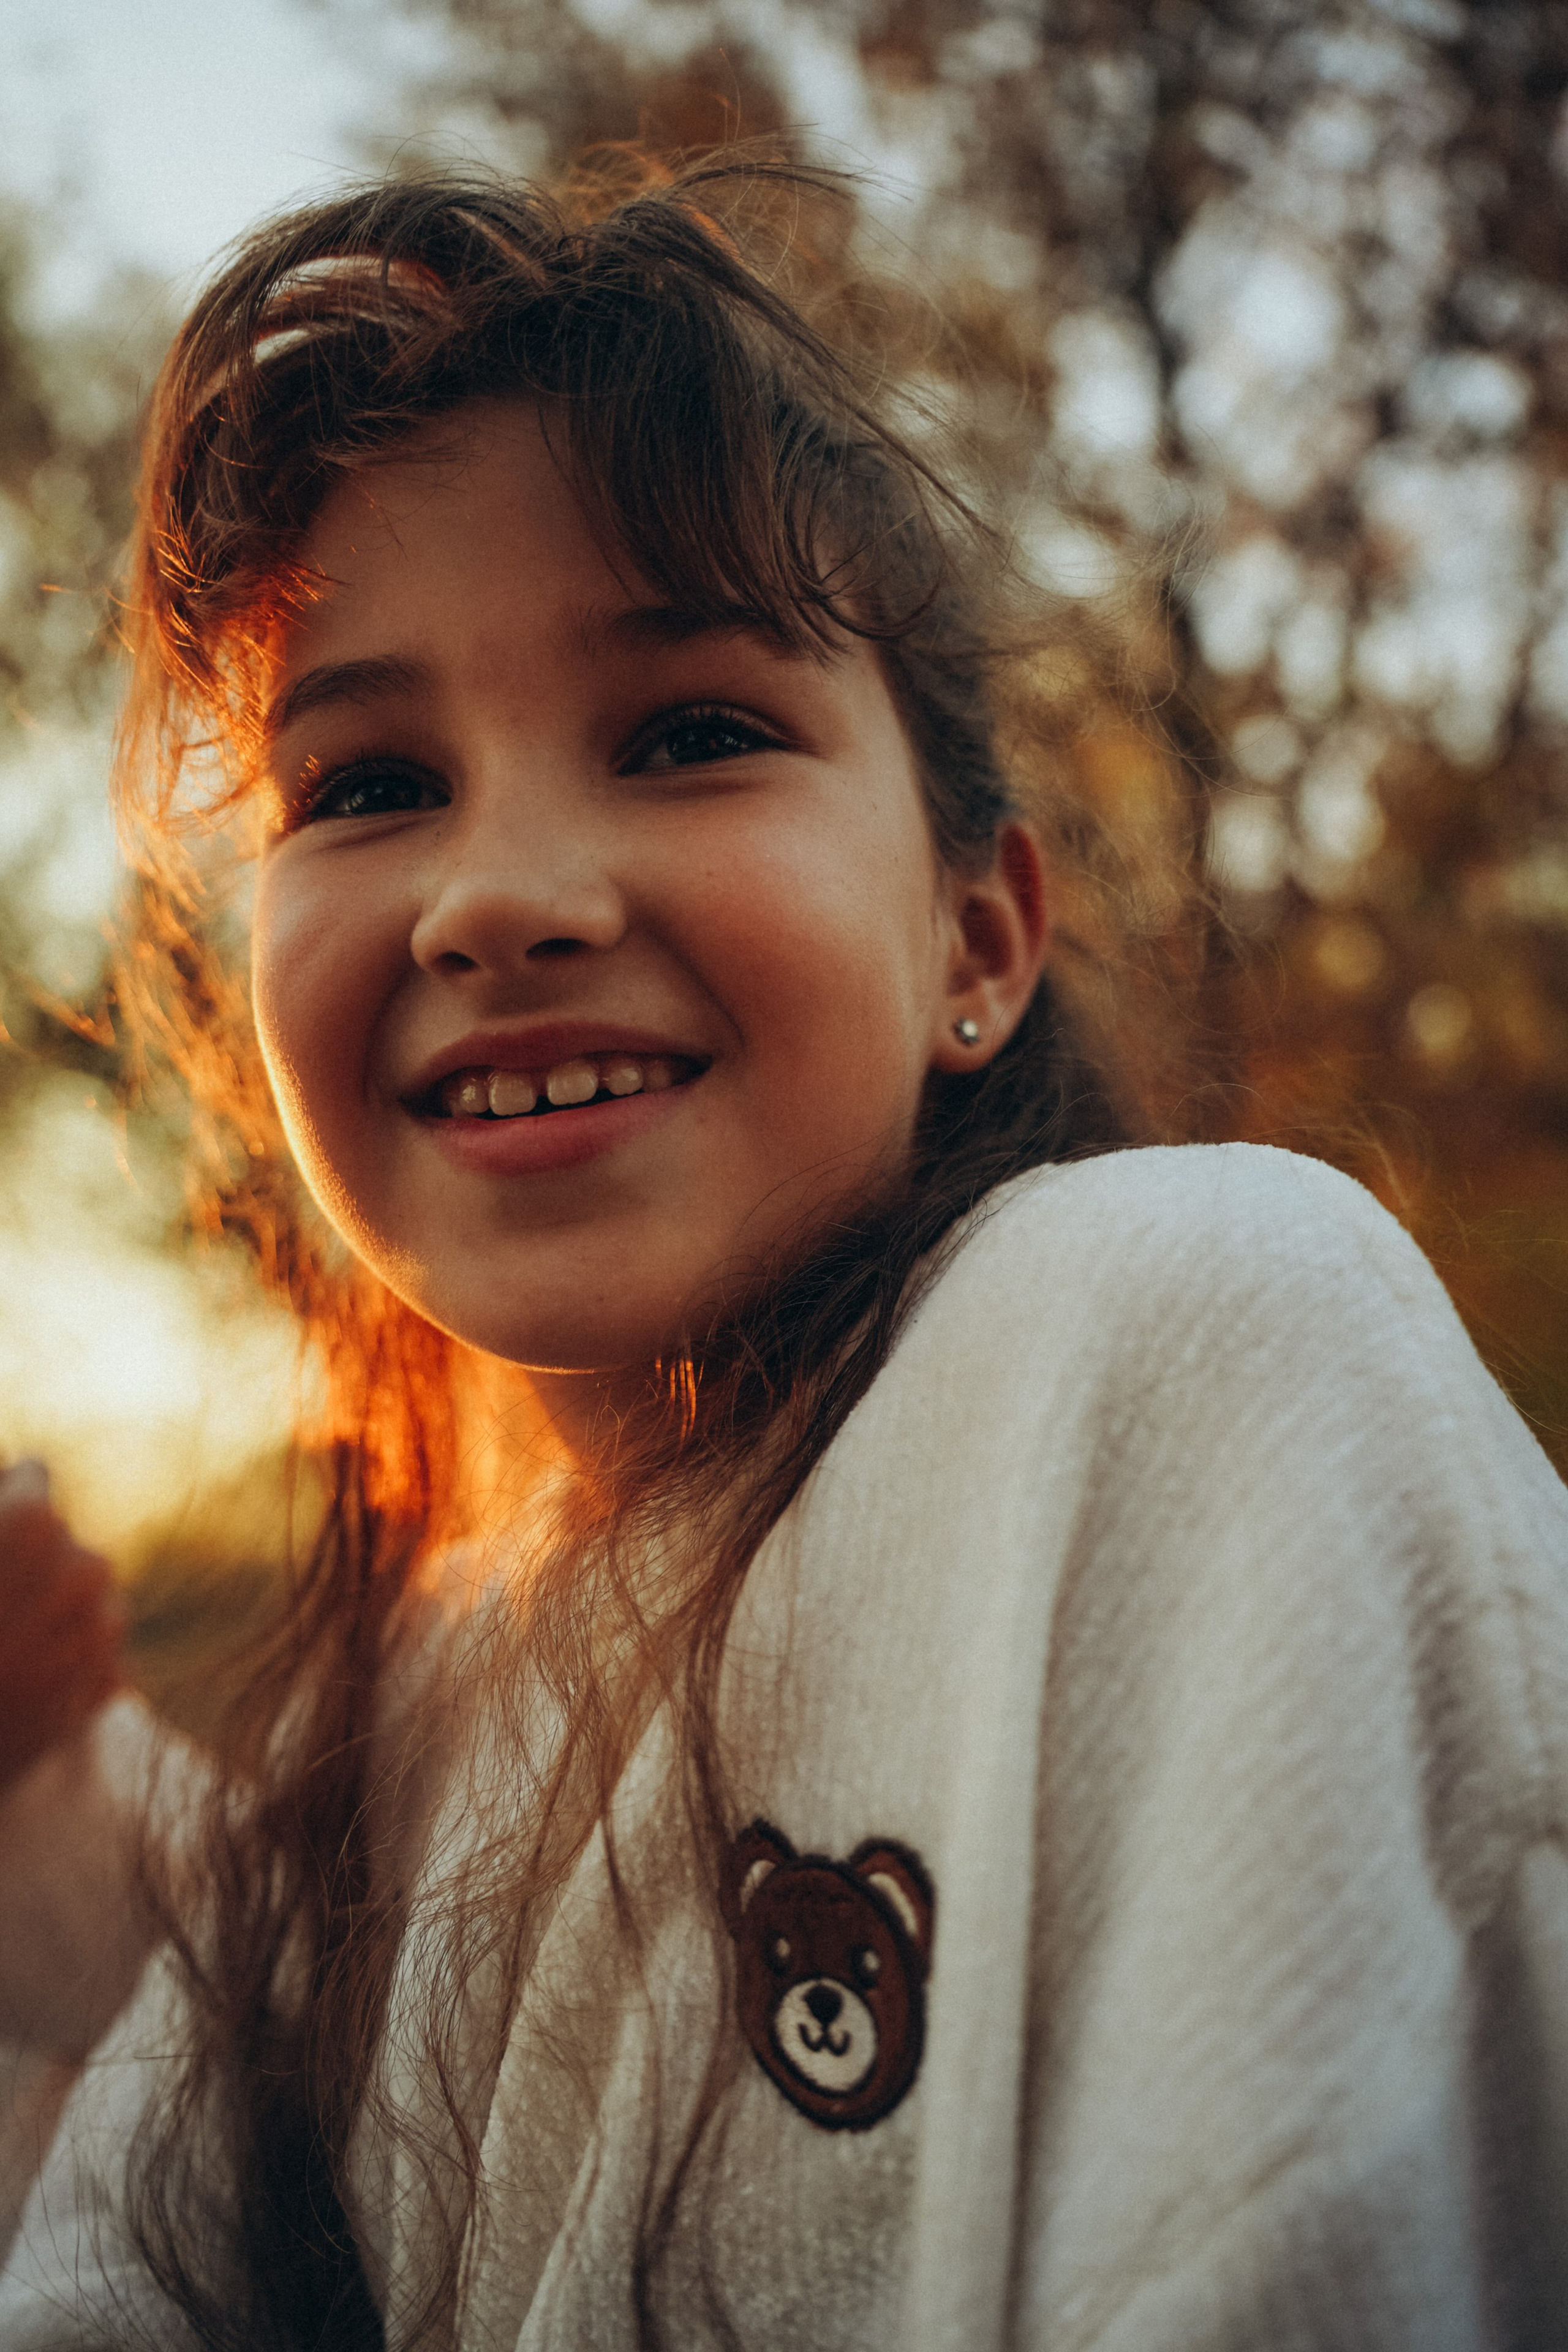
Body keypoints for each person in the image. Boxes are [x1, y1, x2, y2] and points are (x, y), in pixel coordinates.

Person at [1, 157, 1566, 2352]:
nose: (498, 893)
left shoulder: (1193, 1328)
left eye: (693, 734)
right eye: (365, 785)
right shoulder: (379, 1733)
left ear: (979, 936)